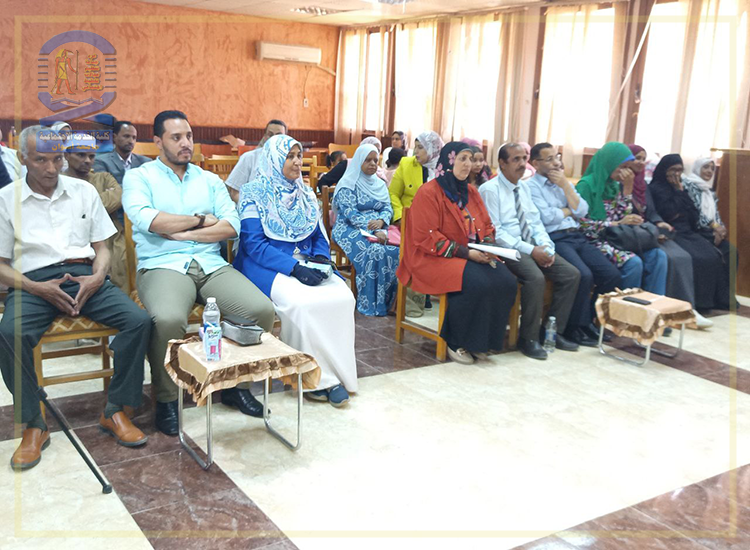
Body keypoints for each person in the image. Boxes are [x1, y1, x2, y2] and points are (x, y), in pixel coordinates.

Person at [0, 126, 152, 470]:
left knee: (138, 321)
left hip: (85, 275)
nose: (51, 168)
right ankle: (34, 424)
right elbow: (1, 266)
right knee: (9, 333)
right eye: (41, 160)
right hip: (32, 281)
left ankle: (115, 410)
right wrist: (37, 288)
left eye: (56, 159)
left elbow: (102, 247)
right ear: (23, 158)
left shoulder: (84, 191)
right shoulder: (7, 199)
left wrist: (98, 277)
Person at [123, 110, 275, 436]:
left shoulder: (209, 180)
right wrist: (201, 220)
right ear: (158, 141)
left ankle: (235, 386)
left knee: (261, 310)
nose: (186, 143)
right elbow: (149, 219)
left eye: (189, 136)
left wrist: (181, 231)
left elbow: (231, 226)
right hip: (163, 265)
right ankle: (166, 399)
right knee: (167, 320)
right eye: (176, 137)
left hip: (210, 264)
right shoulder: (140, 177)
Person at [235, 134, 357, 407]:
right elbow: (254, 245)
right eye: (289, 156)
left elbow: (318, 236)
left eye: (299, 156)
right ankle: (309, 377)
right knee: (302, 303)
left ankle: (337, 373)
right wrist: (294, 268)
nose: (296, 162)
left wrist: (321, 259)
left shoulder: (305, 193)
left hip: (306, 262)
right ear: (273, 159)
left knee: (343, 296)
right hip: (265, 265)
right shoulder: (253, 193)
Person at [397, 141, 517, 364]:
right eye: (462, 159)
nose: (468, 164)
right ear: (448, 161)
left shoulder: (471, 192)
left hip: (469, 254)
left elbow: (487, 225)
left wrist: (488, 246)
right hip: (432, 257)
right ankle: (455, 341)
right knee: (476, 282)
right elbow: (426, 237)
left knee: (506, 281)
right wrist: (467, 253)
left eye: (470, 159)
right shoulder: (428, 192)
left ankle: (480, 342)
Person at [480, 143, 581, 360]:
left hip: (532, 244)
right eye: (515, 159)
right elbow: (496, 232)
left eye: (524, 159)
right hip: (506, 248)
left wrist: (547, 247)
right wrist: (531, 250)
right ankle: (529, 339)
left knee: (571, 274)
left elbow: (535, 223)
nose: (522, 164)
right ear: (502, 163)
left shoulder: (524, 187)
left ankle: (552, 332)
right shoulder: (490, 189)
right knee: (535, 278)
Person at [527, 142, 622, 346]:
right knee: (583, 275)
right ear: (535, 163)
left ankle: (587, 322)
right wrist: (570, 210)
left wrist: (565, 186)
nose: (556, 163)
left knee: (610, 274)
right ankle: (571, 328)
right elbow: (547, 217)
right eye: (549, 159)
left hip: (576, 236)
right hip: (555, 238)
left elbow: (583, 210)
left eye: (557, 157)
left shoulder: (563, 183)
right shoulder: (531, 187)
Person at [628, 145, 712, 329]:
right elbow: (625, 212)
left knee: (683, 256)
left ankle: (679, 309)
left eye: (643, 159)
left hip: (651, 230)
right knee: (674, 257)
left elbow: (652, 211)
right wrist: (656, 224)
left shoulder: (642, 185)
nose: (640, 162)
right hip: (632, 232)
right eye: (636, 158)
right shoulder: (629, 184)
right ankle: (674, 311)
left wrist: (659, 222)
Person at [577, 142, 668, 295]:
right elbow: (581, 226)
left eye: (628, 167)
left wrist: (627, 190)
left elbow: (622, 217)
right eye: (622, 166)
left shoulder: (614, 185)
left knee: (658, 256)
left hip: (616, 237)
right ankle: (623, 306)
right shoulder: (586, 185)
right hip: (595, 241)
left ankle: (652, 304)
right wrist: (615, 223)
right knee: (633, 263)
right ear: (610, 163)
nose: (625, 172)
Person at [650, 154, 736, 311]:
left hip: (688, 230)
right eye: (673, 170)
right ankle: (695, 304)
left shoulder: (681, 188)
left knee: (713, 254)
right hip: (672, 231)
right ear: (664, 170)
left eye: (680, 170)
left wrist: (679, 193)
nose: (676, 174)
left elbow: (693, 213)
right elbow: (669, 213)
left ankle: (709, 301)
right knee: (697, 258)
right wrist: (679, 197)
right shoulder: (656, 188)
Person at [332, 143, 400, 316]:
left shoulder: (380, 184)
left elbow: (387, 207)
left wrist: (381, 221)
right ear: (359, 161)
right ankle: (370, 302)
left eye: (375, 160)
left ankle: (388, 302)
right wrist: (373, 229)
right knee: (375, 251)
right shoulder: (347, 184)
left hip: (379, 226)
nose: (372, 164)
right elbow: (350, 213)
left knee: (395, 250)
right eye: (367, 160)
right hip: (348, 227)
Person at [64, 134, 129, 293]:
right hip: (74, 244)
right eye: (81, 155)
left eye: (91, 156)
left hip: (112, 242)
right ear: (66, 155)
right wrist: (101, 201)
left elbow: (118, 197)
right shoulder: (58, 182)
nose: (87, 160)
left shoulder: (104, 178)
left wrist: (81, 206)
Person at [389, 131, 444, 225]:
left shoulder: (443, 168)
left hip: (435, 220)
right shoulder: (406, 164)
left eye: (420, 147)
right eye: (415, 147)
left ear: (432, 149)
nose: (415, 151)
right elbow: (393, 194)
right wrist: (400, 217)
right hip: (409, 218)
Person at [225, 119, 287, 202]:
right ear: (265, 137)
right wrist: (249, 207)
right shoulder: (249, 158)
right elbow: (234, 191)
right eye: (270, 134)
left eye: (278, 135)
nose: (273, 138)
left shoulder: (290, 161)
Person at [93, 120, 152, 188]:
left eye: (134, 137)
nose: (131, 141)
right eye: (126, 136)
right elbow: (104, 186)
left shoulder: (145, 162)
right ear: (114, 137)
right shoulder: (101, 161)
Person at [318, 136, 388, 191]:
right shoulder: (346, 165)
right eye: (370, 149)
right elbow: (323, 182)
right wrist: (332, 199)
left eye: (378, 150)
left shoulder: (378, 172)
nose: (375, 152)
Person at [684, 157, 727, 245]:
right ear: (697, 168)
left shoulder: (710, 192)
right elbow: (696, 211)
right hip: (694, 229)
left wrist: (721, 229)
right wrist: (715, 226)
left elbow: (716, 214)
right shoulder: (688, 185)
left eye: (712, 168)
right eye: (706, 167)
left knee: (730, 248)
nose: (709, 171)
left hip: (709, 230)